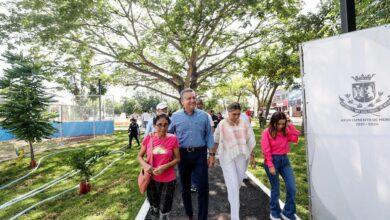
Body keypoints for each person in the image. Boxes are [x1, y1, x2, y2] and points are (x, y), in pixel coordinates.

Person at [169, 88, 214, 220]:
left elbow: (209, 135)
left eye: (194, 97)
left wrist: (211, 154)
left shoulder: (204, 116)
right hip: (182, 155)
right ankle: (189, 214)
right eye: (189, 98)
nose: (192, 100)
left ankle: (202, 217)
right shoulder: (175, 116)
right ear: (182, 101)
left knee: (203, 188)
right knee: (185, 188)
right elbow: (170, 135)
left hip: (200, 154)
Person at [209, 102, 256, 220]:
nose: (236, 116)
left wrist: (252, 156)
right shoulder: (222, 124)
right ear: (228, 112)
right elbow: (215, 140)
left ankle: (233, 199)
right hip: (227, 157)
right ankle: (235, 216)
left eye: (238, 114)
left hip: (242, 156)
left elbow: (250, 139)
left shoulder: (244, 123)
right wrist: (212, 155)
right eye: (234, 114)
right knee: (234, 185)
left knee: (237, 184)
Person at [137, 114, 180, 220]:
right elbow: (139, 156)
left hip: (168, 179)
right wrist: (146, 165)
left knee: (165, 207)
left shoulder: (173, 139)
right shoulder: (149, 138)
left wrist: (165, 167)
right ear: (154, 125)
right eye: (159, 125)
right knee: (154, 205)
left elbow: (178, 158)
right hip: (151, 178)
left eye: (166, 125)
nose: (163, 128)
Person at [260, 112, 300, 220]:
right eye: (279, 124)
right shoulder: (266, 133)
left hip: (284, 161)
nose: (281, 126)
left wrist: (290, 125)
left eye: (283, 123)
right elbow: (266, 150)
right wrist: (270, 165)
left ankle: (288, 212)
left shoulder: (286, 131)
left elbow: (295, 138)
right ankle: (274, 211)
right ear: (273, 123)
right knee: (275, 188)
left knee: (292, 188)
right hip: (272, 161)